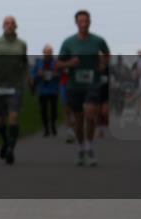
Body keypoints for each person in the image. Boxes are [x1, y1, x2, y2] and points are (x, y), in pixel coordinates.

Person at [57, 10, 110, 167]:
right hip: (75, 85)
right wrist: (69, 63)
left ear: (90, 22)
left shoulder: (98, 40)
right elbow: (58, 64)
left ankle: (90, 147)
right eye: (81, 21)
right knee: (79, 120)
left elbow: (107, 54)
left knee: (90, 114)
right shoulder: (68, 42)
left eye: (86, 21)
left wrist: (103, 63)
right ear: (76, 23)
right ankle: (81, 148)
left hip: (93, 83)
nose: (84, 24)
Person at [0, 16, 29, 164]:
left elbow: (25, 63)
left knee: (14, 117)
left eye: (12, 23)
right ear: (3, 26)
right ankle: (5, 141)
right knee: (0, 120)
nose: (9, 26)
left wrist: (28, 77)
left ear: (16, 26)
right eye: (7, 23)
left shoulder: (22, 44)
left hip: (15, 85)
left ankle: (10, 149)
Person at [31, 44, 60, 137]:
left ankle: (53, 125)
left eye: (50, 52)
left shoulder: (56, 63)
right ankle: (46, 128)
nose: (48, 53)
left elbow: (61, 74)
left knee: (53, 110)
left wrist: (56, 75)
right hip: (42, 90)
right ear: (43, 52)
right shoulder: (39, 62)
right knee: (43, 110)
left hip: (53, 89)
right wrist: (38, 74)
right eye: (47, 52)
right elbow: (33, 74)